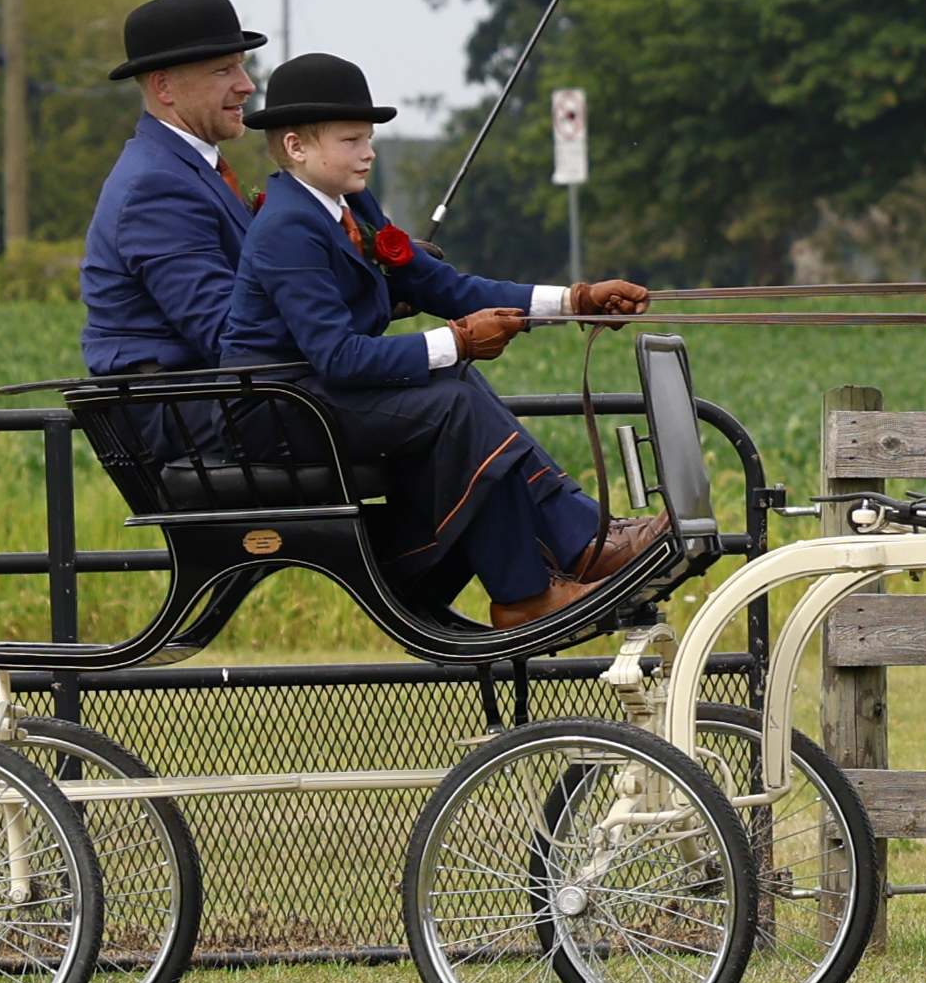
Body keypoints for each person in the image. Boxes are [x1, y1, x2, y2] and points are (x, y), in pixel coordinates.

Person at [219, 51, 663, 628]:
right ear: (296, 147)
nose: (369, 152)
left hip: (321, 394)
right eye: (352, 140)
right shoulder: (286, 226)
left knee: (458, 383)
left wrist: (573, 301)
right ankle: (527, 591)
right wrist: (457, 340)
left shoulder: (352, 205)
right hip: (280, 408)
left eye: (369, 138)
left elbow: (442, 285)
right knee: (454, 404)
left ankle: (577, 540)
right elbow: (337, 356)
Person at [82, 0, 267, 378]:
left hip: (225, 393)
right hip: (187, 403)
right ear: (163, 87)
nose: (247, 85)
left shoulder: (186, 169)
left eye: (241, 66)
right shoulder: (157, 186)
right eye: (224, 71)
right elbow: (232, 337)